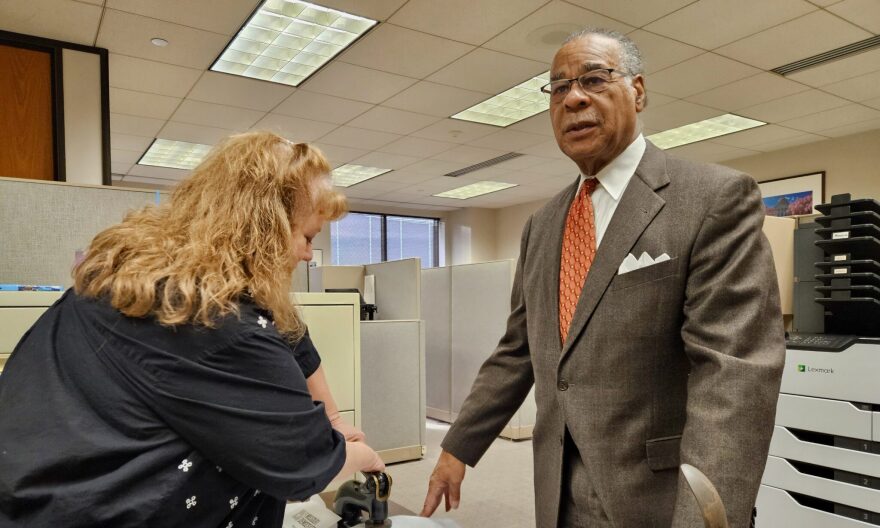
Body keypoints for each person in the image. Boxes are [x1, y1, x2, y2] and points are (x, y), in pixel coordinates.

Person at [421, 28, 784, 528]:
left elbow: (733, 377)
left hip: (659, 498)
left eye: (594, 79)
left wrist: (704, 518)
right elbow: (518, 351)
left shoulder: (711, 199)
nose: (573, 98)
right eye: (558, 87)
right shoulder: (543, 226)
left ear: (637, 90)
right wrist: (457, 447)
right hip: (557, 492)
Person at [0, 131, 384, 527]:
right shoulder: (224, 326)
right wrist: (362, 456)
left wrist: (334, 418)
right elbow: (302, 462)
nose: (307, 254)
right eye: (307, 237)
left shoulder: (119, 280)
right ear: (264, 229)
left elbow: (290, 330)